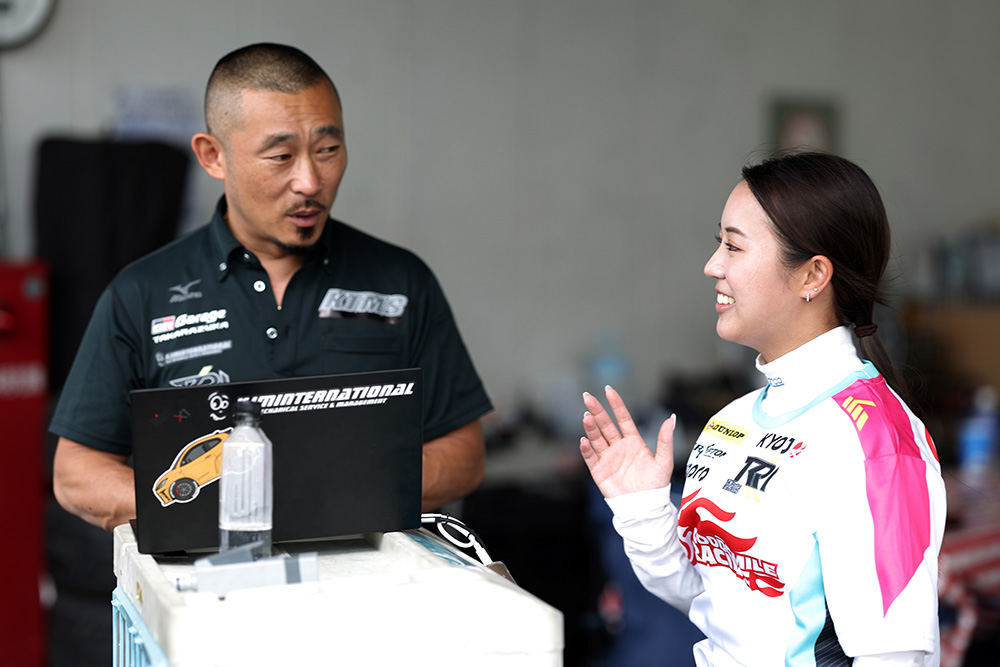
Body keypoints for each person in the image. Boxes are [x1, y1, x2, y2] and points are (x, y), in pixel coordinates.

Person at [50, 43, 492, 533]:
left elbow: (464, 454)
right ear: (214, 156)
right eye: (281, 156)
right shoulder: (142, 293)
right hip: (211, 576)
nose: (310, 181)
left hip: (371, 574)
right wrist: (219, 510)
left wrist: (335, 488)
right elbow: (75, 474)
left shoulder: (401, 281)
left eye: (327, 150)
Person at [579, 152, 945, 666]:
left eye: (733, 246)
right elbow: (712, 600)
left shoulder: (874, 443)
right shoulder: (731, 422)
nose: (713, 266)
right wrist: (642, 510)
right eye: (719, 244)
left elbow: (894, 655)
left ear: (812, 275)